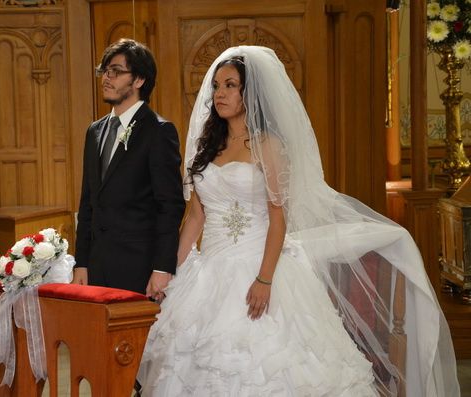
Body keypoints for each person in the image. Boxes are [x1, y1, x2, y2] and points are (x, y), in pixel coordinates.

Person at [137, 46, 460, 396]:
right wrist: (172, 270)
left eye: (230, 85)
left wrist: (264, 279)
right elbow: (196, 216)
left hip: (259, 267)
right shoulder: (206, 145)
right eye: (216, 86)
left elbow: (279, 219)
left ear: (251, 93)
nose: (219, 94)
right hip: (209, 271)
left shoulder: (269, 146)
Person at [73, 39, 185, 296]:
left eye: (115, 71)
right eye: (104, 70)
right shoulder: (95, 131)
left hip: (139, 265)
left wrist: (162, 267)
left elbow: (170, 205)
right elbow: (88, 201)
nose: (106, 78)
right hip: (96, 265)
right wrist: (82, 262)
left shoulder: (158, 131)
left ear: (139, 80)